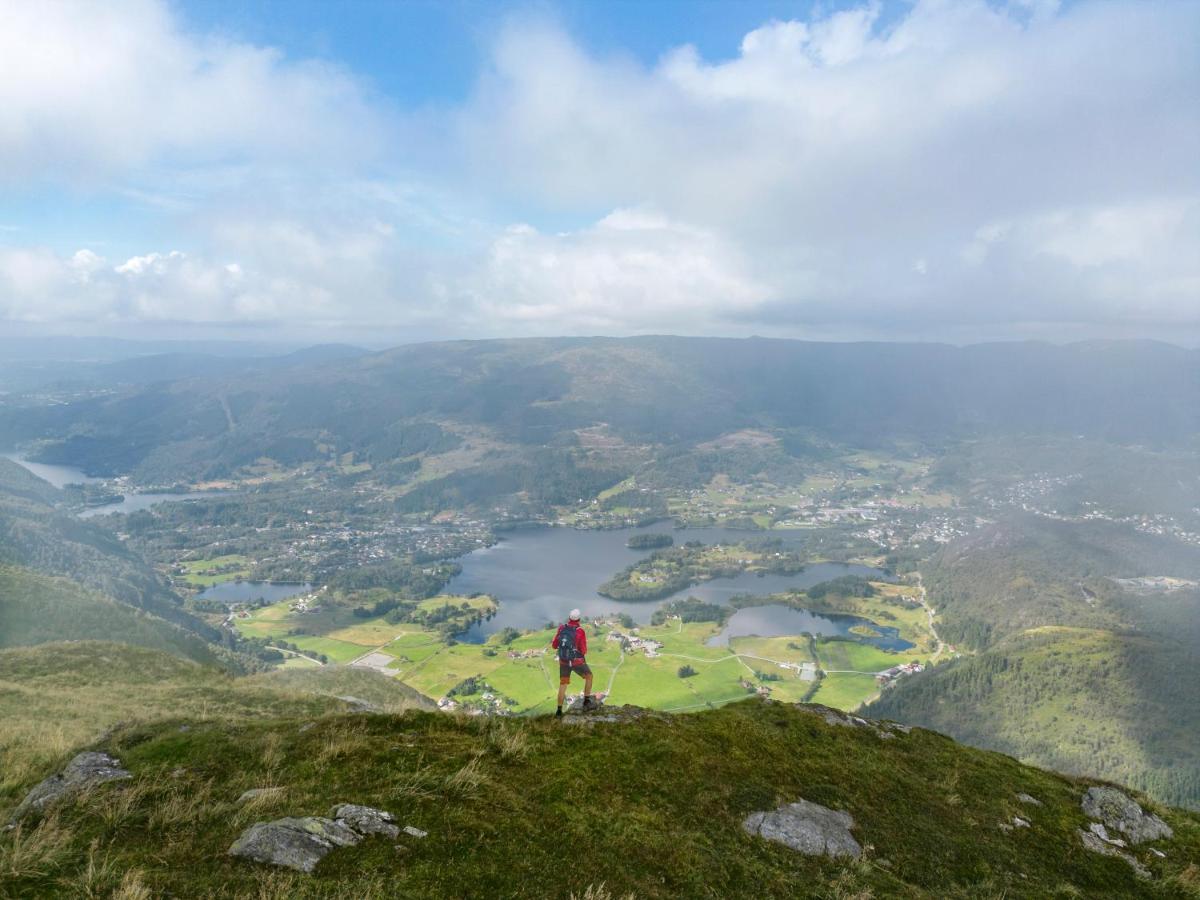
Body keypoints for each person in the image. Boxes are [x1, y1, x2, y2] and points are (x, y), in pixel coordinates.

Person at [552, 608, 596, 716]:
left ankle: (559, 711)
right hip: (576, 662)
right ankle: (586, 702)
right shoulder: (580, 631)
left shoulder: (562, 628)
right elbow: (584, 650)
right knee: (589, 676)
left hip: (563, 662)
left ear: (569, 618)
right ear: (579, 619)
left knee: (563, 684)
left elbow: (554, 645)